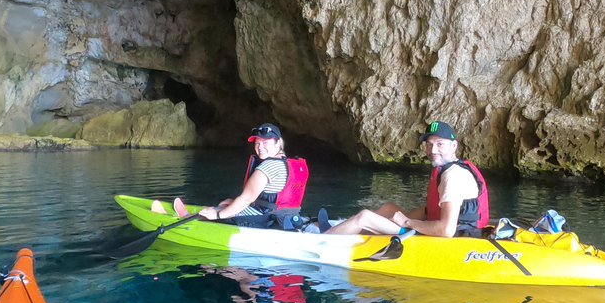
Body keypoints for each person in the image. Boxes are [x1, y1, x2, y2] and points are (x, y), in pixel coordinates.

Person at [323, 121, 488, 238]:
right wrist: (400, 218)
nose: (433, 150)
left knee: (365, 217)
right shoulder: (448, 169)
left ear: (454, 145)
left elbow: (446, 230)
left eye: (440, 144)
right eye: (429, 144)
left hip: (457, 237)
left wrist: (407, 222)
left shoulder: (453, 176)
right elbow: (430, 210)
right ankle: (348, 229)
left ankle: (321, 239)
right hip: (438, 228)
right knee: (389, 208)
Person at [153, 123, 309, 227]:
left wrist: (218, 214)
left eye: (265, 143)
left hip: (266, 219)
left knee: (218, 211)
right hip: (285, 216)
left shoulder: (268, 166)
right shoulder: (287, 163)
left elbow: (246, 199)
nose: (260, 147)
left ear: (278, 143)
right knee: (227, 203)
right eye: (257, 143)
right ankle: (191, 215)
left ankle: (182, 220)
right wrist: (229, 205)